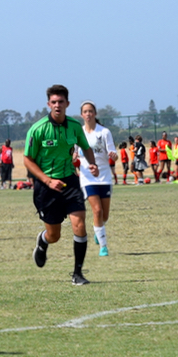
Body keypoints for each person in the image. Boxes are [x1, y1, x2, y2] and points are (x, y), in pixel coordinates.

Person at [23, 85, 99, 286]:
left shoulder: (74, 126)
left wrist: (92, 163)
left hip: (70, 181)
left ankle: (77, 273)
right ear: (49, 104)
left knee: (79, 224)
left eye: (61, 102)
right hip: (46, 186)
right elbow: (28, 160)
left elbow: (85, 147)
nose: (57, 105)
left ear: (67, 104)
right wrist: (47, 180)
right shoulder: (37, 129)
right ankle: (43, 241)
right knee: (54, 235)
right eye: (54, 102)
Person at [75, 102, 116, 257]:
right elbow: (75, 152)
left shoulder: (104, 132)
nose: (88, 114)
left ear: (95, 113)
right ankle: (103, 247)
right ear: (81, 115)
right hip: (87, 177)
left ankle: (98, 231)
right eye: (85, 111)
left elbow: (112, 151)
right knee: (97, 210)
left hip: (104, 176)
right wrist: (73, 156)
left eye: (91, 111)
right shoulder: (78, 133)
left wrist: (113, 155)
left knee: (104, 215)